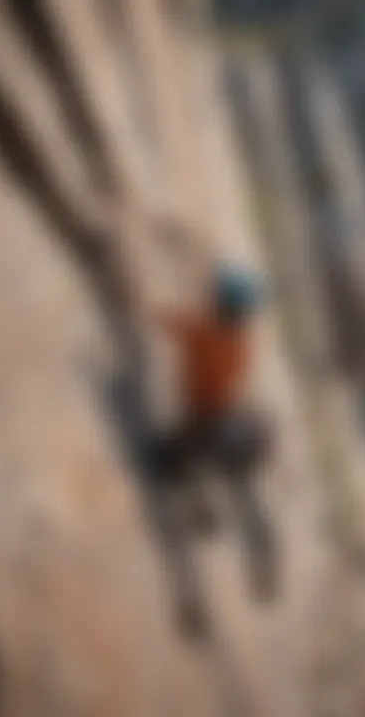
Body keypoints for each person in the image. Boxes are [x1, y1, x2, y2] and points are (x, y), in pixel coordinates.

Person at [147, 263, 277, 635]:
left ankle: (191, 596)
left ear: (220, 302)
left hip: (204, 428)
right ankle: (262, 549)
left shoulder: (203, 331)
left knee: (165, 466)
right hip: (235, 427)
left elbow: (165, 321)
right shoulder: (241, 342)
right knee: (246, 494)